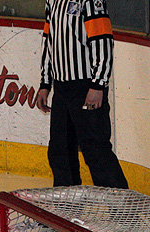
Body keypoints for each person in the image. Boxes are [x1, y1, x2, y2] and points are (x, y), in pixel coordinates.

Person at [34, 0, 129, 189]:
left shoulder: (91, 1)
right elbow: (48, 39)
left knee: (96, 150)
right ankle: (68, 209)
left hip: (86, 88)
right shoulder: (52, 1)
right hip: (61, 89)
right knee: (60, 151)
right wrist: (45, 83)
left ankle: (122, 210)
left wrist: (97, 85)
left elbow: (103, 41)